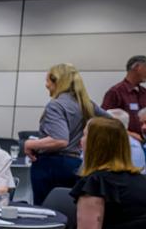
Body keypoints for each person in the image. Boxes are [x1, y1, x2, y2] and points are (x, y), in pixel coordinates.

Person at [24, 62, 101, 205]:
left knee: (44, 213)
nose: (46, 85)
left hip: (50, 166)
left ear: (57, 81)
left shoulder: (56, 104)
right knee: (69, 211)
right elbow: (114, 123)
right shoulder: (86, 104)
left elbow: (60, 140)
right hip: (75, 164)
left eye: (47, 80)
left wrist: (30, 144)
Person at [100, 54, 146, 136]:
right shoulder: (115, 92)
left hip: (145, 140)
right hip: (125, 142)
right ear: (137, 67)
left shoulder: (144, 92)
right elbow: (104, 121)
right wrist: (130, 134)